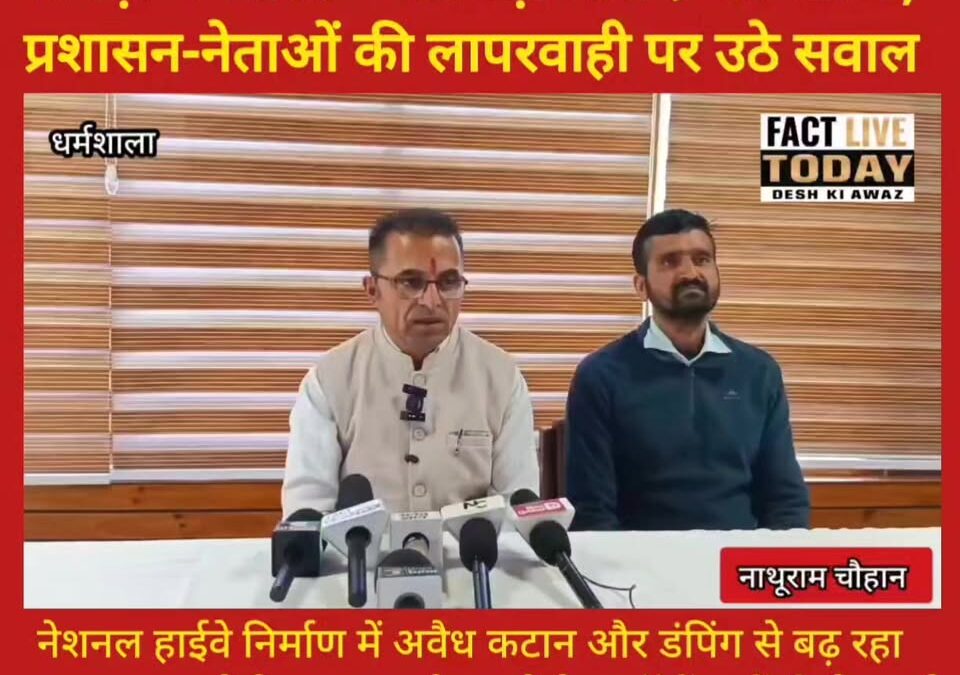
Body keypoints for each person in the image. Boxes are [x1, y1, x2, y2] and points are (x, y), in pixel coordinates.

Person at [281, 208, 540, 516]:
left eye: (448, 282)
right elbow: (307, 514)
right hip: (364, 548)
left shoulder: (501, 378)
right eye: (411, 282)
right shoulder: (330, 382)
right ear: (372, 290)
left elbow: (517, 509)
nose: (432, 301)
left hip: (472, 548)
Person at [565, 208, 810, 531]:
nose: (690, 273)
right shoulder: (600, 376)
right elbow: (592, 513)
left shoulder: (759, 372)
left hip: (738, 555)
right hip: (641, 558)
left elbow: (785, 500)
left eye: (702, 259)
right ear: (641, 286)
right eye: (670, 262)